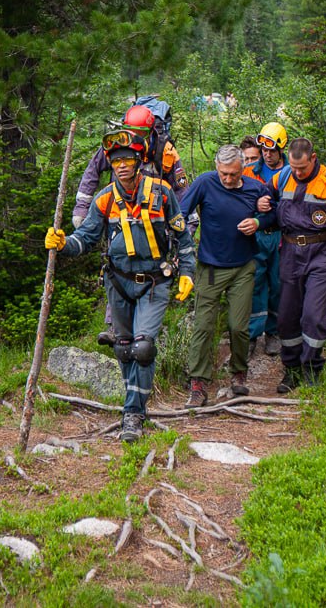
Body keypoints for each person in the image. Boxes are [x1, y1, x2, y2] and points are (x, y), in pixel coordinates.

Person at [46, 130, 195, 442]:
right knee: (124, 349)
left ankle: (133, 414)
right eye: (116, 161)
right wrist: (63, 244)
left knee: (143, 348)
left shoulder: (162, 194)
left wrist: (188, 272)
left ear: (139, 161)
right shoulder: (105, 200)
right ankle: (136, 402)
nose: (121, 165)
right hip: (118, 282)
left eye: (127, 159)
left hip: (154, 282)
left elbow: (182, 237)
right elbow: (84, 239)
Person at [71, 102, 190, 347]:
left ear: (151, 131)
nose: (135, 137)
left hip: (155, 214)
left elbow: (180, 188)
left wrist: (180, 223)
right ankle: (116, 327)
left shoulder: (164, 150)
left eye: (141, 133)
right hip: (119, 208)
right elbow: (91, 174)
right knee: (118, 263)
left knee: (150, 265)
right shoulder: (118, 144)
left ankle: (145, 326)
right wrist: (81, 210)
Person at [261, 137, 326, 392]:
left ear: (313, 158)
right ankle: (292, 370)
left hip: (322, 253)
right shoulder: (282, 177)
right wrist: (261, 202)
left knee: (314, 316)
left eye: (302, 168)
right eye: (294, 168)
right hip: (289, 253)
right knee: (286, 317)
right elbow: (266, 194)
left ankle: (311, 370)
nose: (297, 173)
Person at [179, 144, 271, 407]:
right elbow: (180, 213)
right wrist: (182, 243)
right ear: (217, 168)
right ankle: (198, 384)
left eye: (233, 174)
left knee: (239, 326)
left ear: (243, 169)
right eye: (223, 174)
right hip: (209, 266)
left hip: (243, 266)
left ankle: (239, 375)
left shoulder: (255, 188)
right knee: (203, 326)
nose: (228, 179)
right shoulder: (205, 182)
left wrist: (258, 222)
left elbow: (273, 213)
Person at [242, 123, 289, 357]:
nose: (266, 154)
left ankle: (274, 333)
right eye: (263, 150)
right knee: (255, 284)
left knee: (278, 285)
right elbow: (237, 198)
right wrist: (254, 205)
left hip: (282, 236)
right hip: (256, 235)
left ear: (281, 149)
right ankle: (252, 335)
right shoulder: (250, 171)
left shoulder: (291, 172)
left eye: (271, 150)